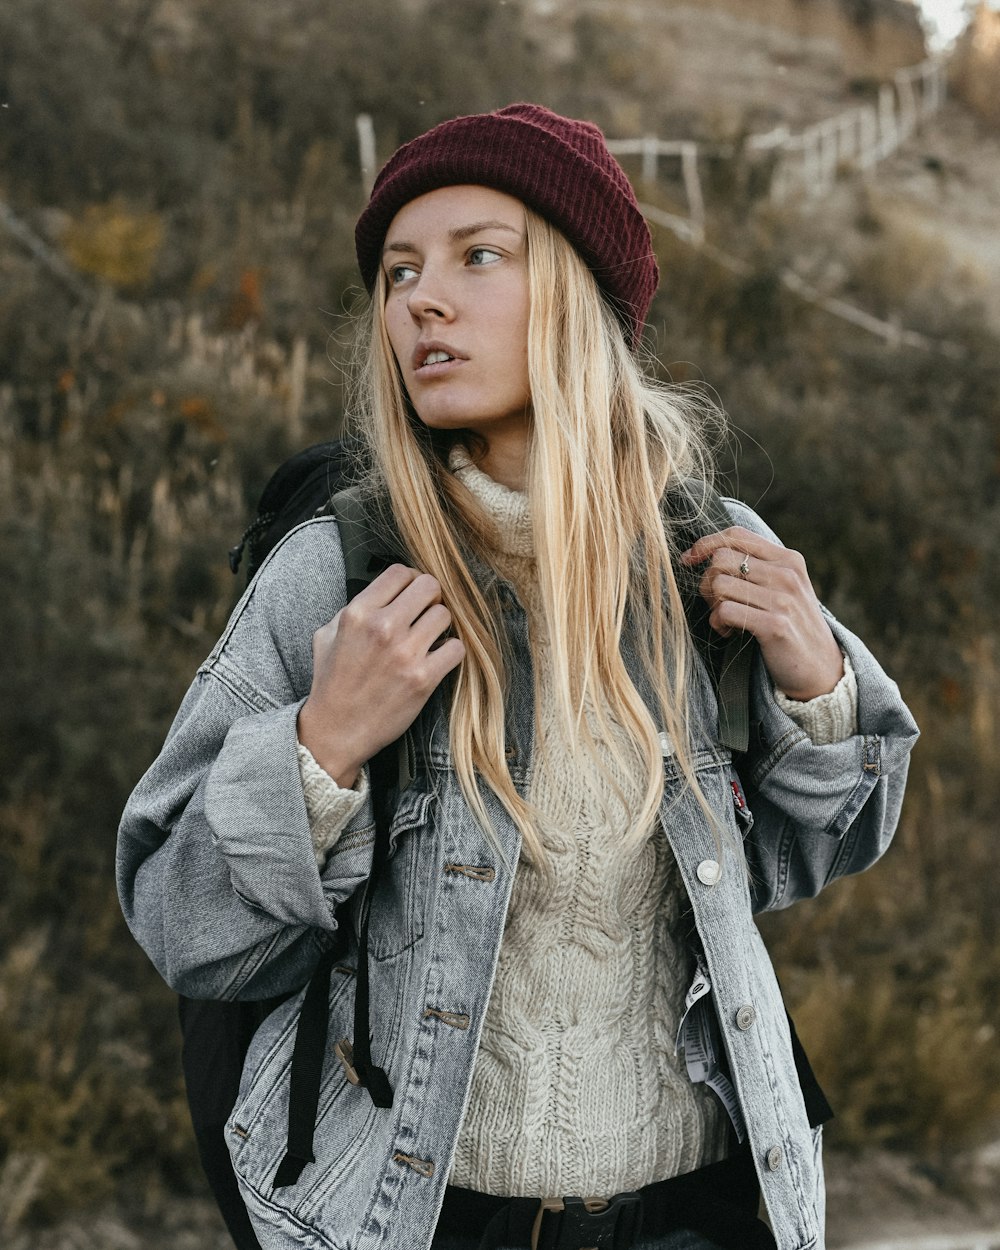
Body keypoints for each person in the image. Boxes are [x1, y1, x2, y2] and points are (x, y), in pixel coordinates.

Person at [117, 104, 918, 1250]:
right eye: (398, 272)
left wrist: (816, 684)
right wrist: (320, 750)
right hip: (423, 1221)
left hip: (696, 1213)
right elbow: (180, 920)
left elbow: (815, 850)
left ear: (580, 296)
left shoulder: (707, 551)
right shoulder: (339, 568)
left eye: (476, 255)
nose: (419, 300)